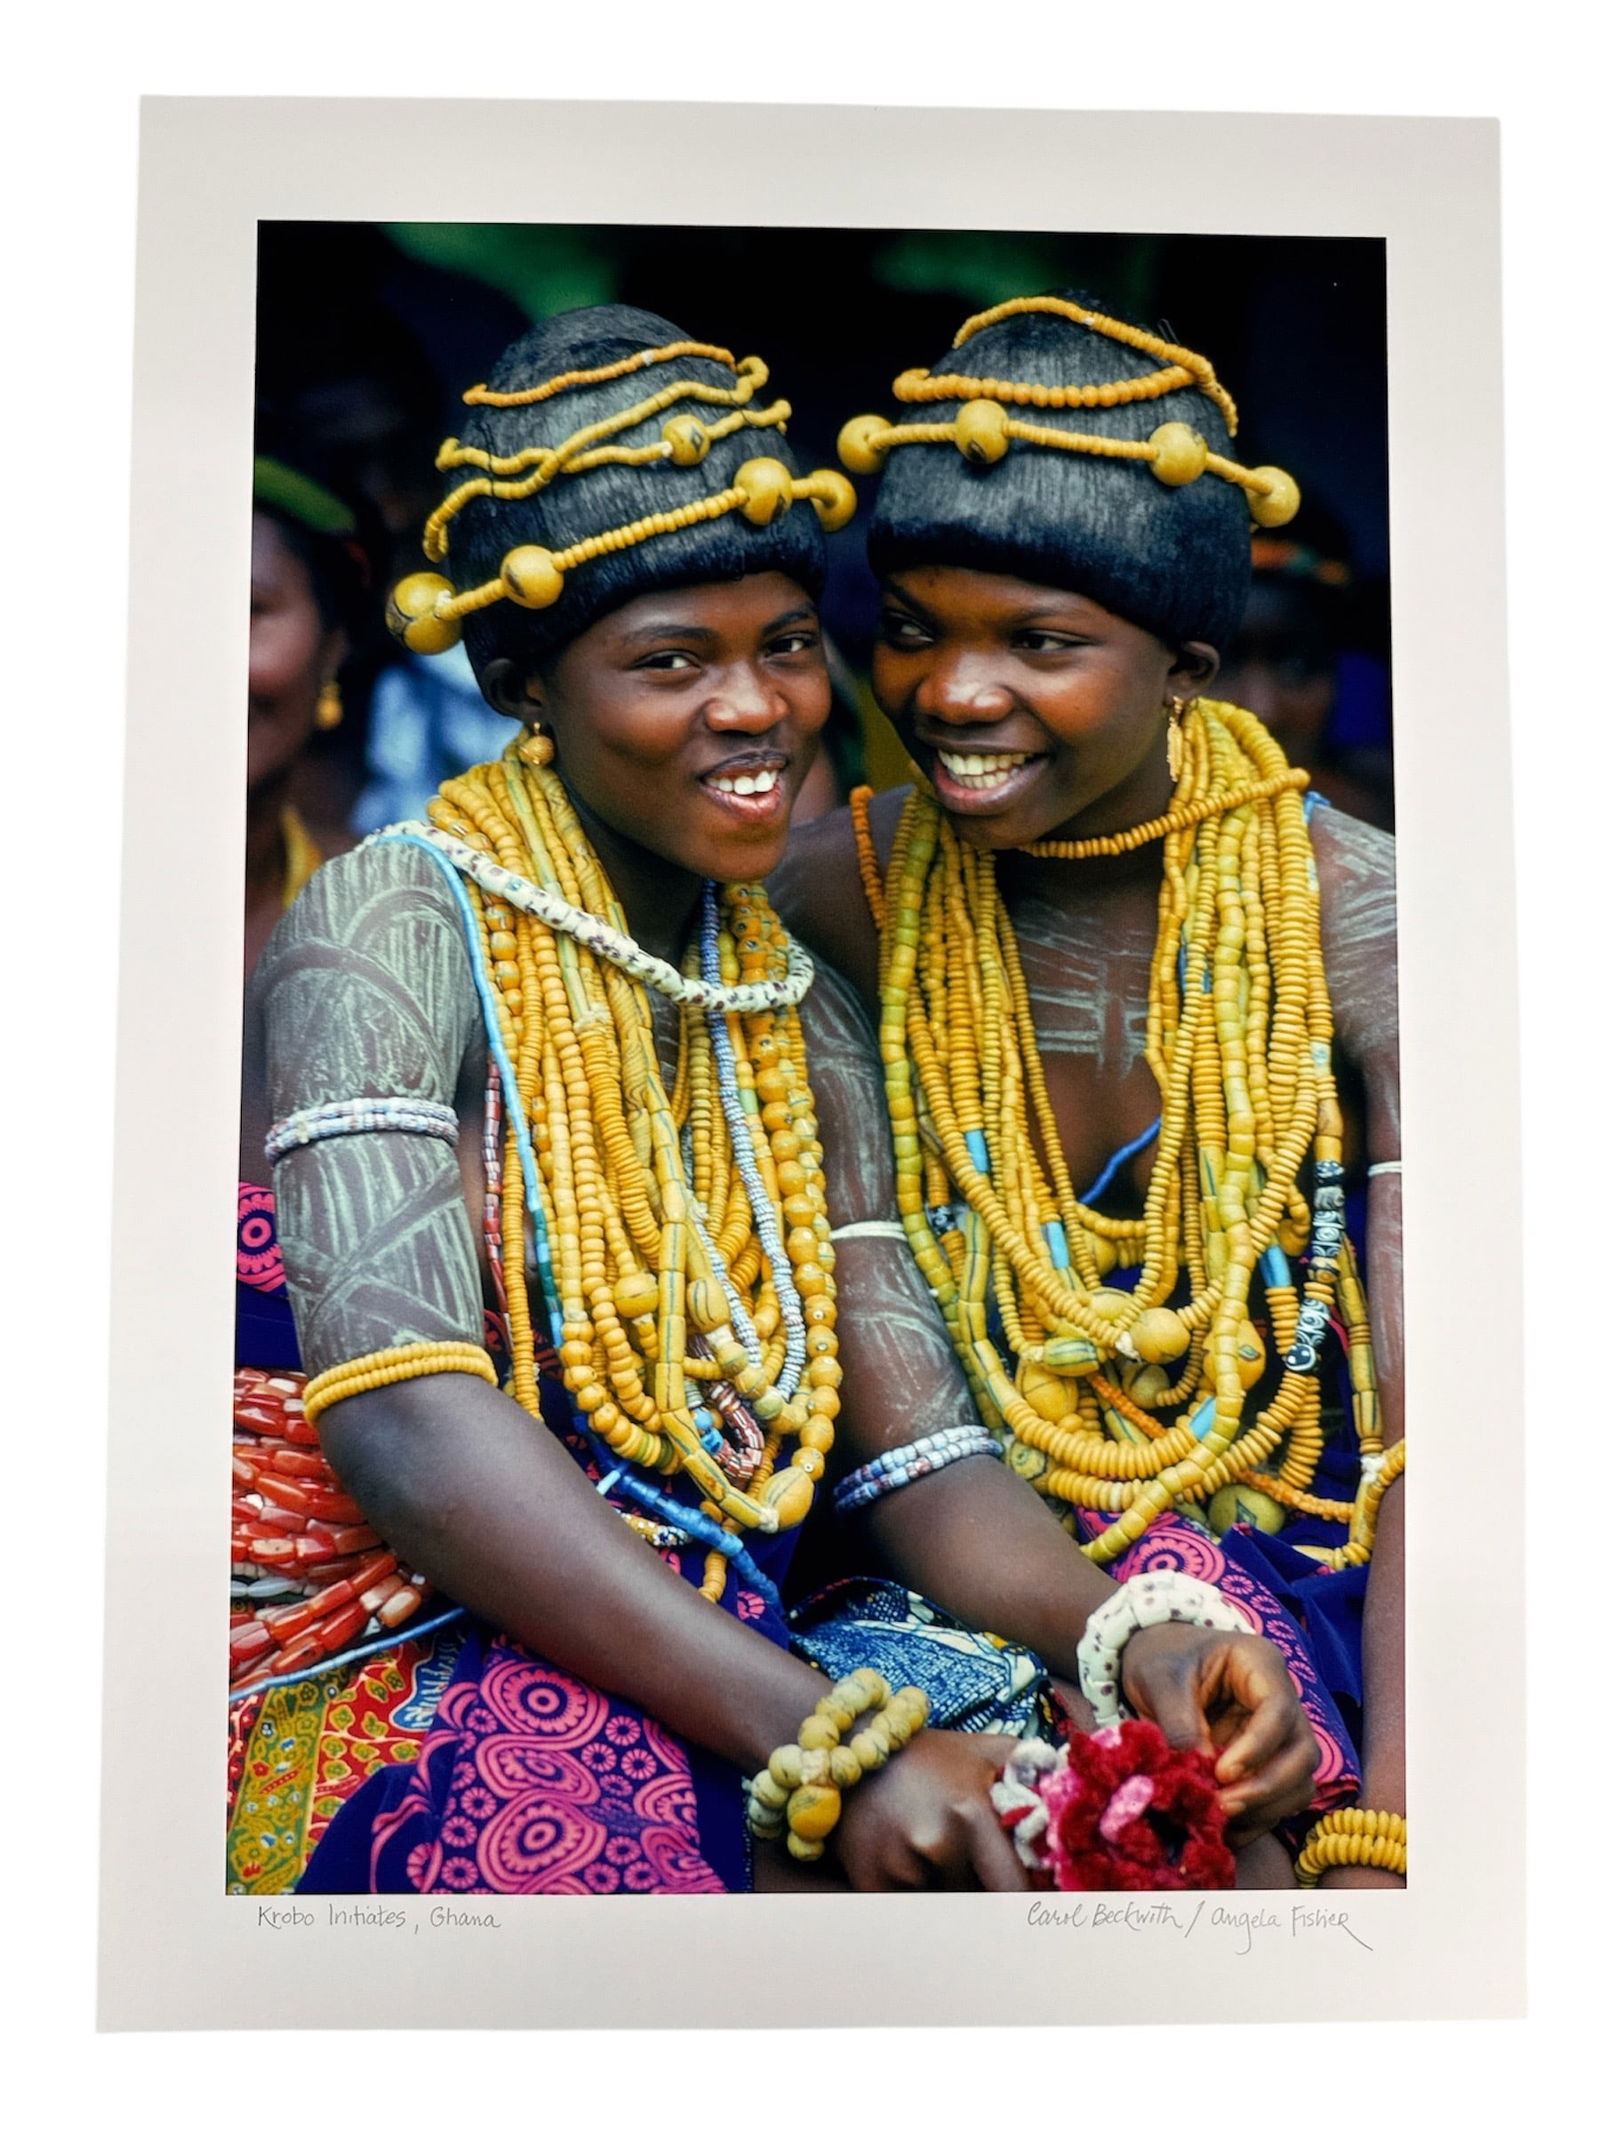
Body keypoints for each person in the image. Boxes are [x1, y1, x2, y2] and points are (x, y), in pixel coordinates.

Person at [232, 304, 1317, 1899]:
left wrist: (1129, 1628)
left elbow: (913, 1455)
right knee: (610, 1857)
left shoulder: (777, 981)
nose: (756, 711)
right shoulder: (392, 922)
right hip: (400, 1636)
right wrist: (840, 1744)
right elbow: (405, 1412)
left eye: (788, 645)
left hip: (740, 1619)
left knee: (1167, 1828)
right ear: (527, 679)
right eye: (673, 660)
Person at [773, 293, 1405, 1891]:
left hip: (1331, 1586)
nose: (953, 694)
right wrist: (1116, 1626)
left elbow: (1448, 1429)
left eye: (1041, 642)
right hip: (952, 1580)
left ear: (1189, 663)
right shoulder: (827, 898)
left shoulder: (1363, 921)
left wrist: (1396, 1825)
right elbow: (896, 1427)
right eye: (914, 625)